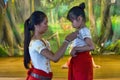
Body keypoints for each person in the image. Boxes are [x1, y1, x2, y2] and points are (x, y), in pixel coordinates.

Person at [24, 11, 78, 80]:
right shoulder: (36, 43)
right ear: (36, 25)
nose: (47, 25)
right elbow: (54, 58)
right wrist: (67, 41)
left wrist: (68, 44)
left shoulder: (43, 41)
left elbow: (56, 57)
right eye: (45, 23)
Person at [67, 2, 95, 80]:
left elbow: (91, 46)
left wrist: (76, 49)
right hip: (78, 60)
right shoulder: (80, 30)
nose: (72, 25)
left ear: (79, 18)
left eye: (72, 21)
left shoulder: (84, 31)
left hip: (82, 61)